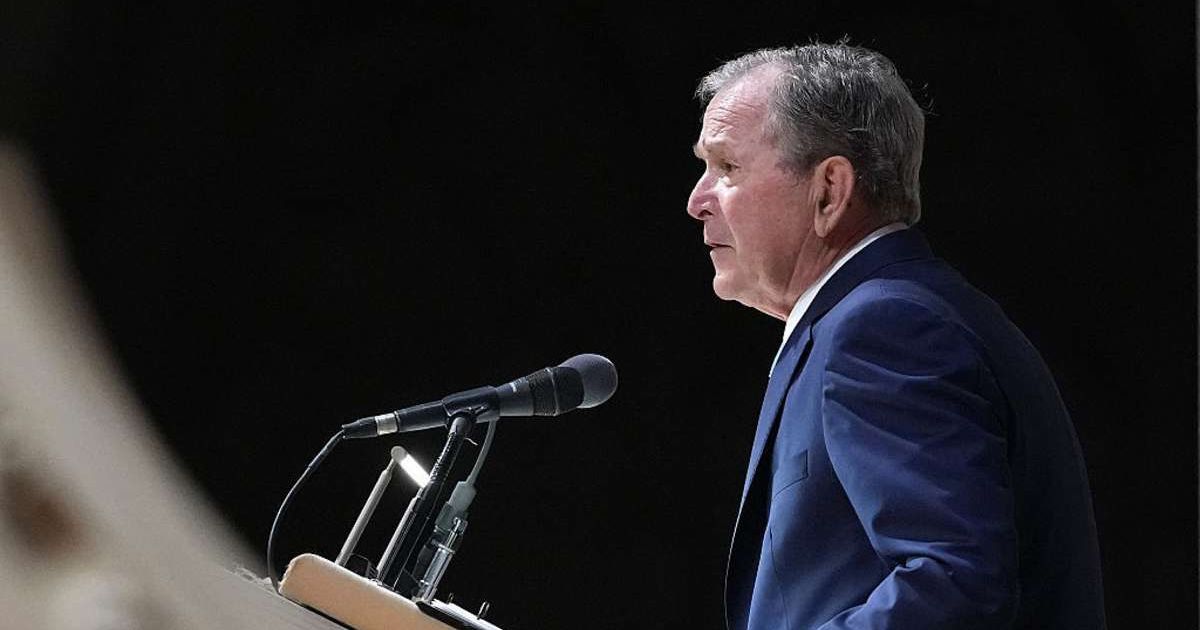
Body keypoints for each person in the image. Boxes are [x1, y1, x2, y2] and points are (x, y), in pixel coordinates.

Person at [686, 43, 1105, 629]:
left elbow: (953, 588)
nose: (696, 201)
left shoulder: (884, 329)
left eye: (727, 167)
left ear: (829, 191)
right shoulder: (902, 315)